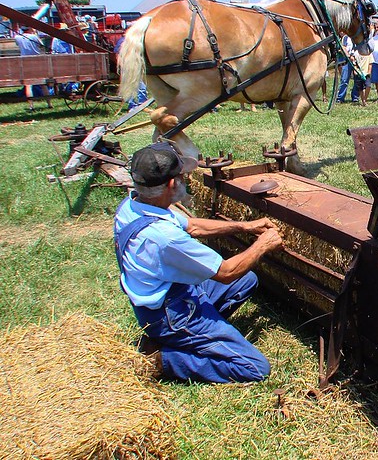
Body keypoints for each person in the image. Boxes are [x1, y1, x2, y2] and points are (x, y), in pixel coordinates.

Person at [114, 142, 283, 383]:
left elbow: (192, 226)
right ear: (172, 184)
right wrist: (264, 244)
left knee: (247, 281)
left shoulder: (134, 206)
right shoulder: (164, 238)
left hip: (167, 298)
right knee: (255, 367)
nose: (185, 180)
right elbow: (226, 272)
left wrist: (244, 226)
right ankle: (163, 358)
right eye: (182, 176)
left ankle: (202, 336)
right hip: (171, 315)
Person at [15, 26, 52, 111]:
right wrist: (35, 33)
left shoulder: (17, 37)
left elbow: (17, 43)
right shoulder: (34, 37)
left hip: (25, 62)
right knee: (43, 84)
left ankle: (31, 106)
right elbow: (42, 45)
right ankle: (49, 104)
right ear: (29, 29)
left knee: (28, 85)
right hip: (36, 61)